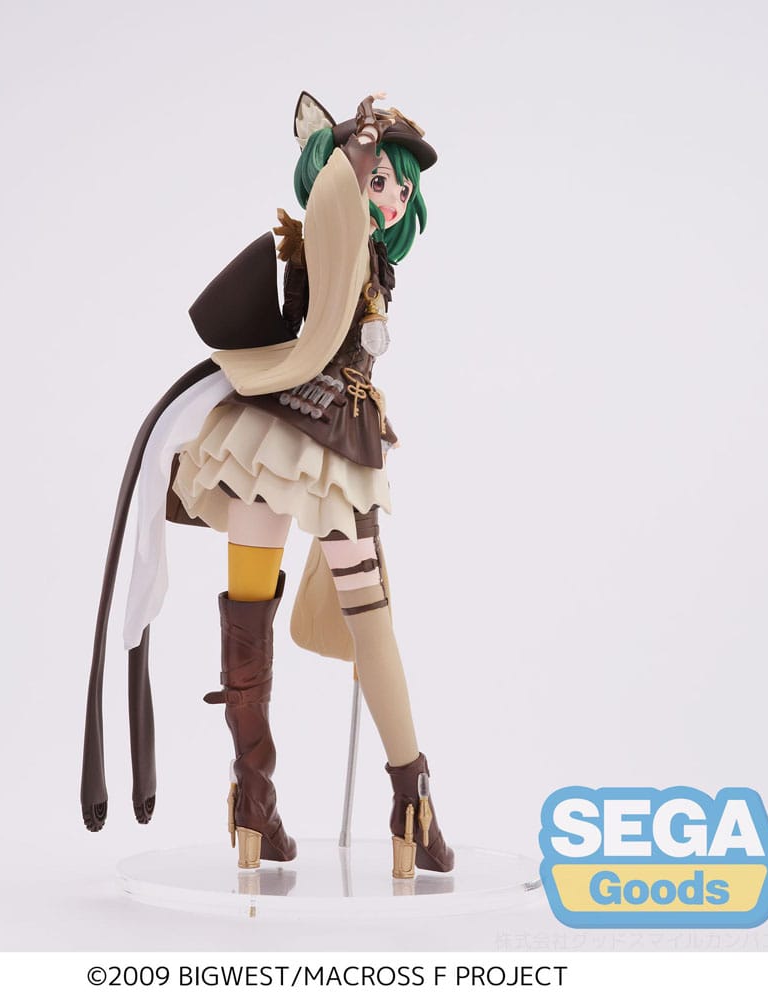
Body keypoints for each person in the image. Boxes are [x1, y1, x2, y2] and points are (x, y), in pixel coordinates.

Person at [168, 92, 454, 878]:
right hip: (322, 444)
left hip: (267, 440)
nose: (391, 198)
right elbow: (334, 236)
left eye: (399, 187)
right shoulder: (338, 228)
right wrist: (346, 167)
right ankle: (412, 806)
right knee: (369, 620)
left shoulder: (344, 244)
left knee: (251, 616)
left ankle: (252, 803)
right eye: (379, 181)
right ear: (342, 178)